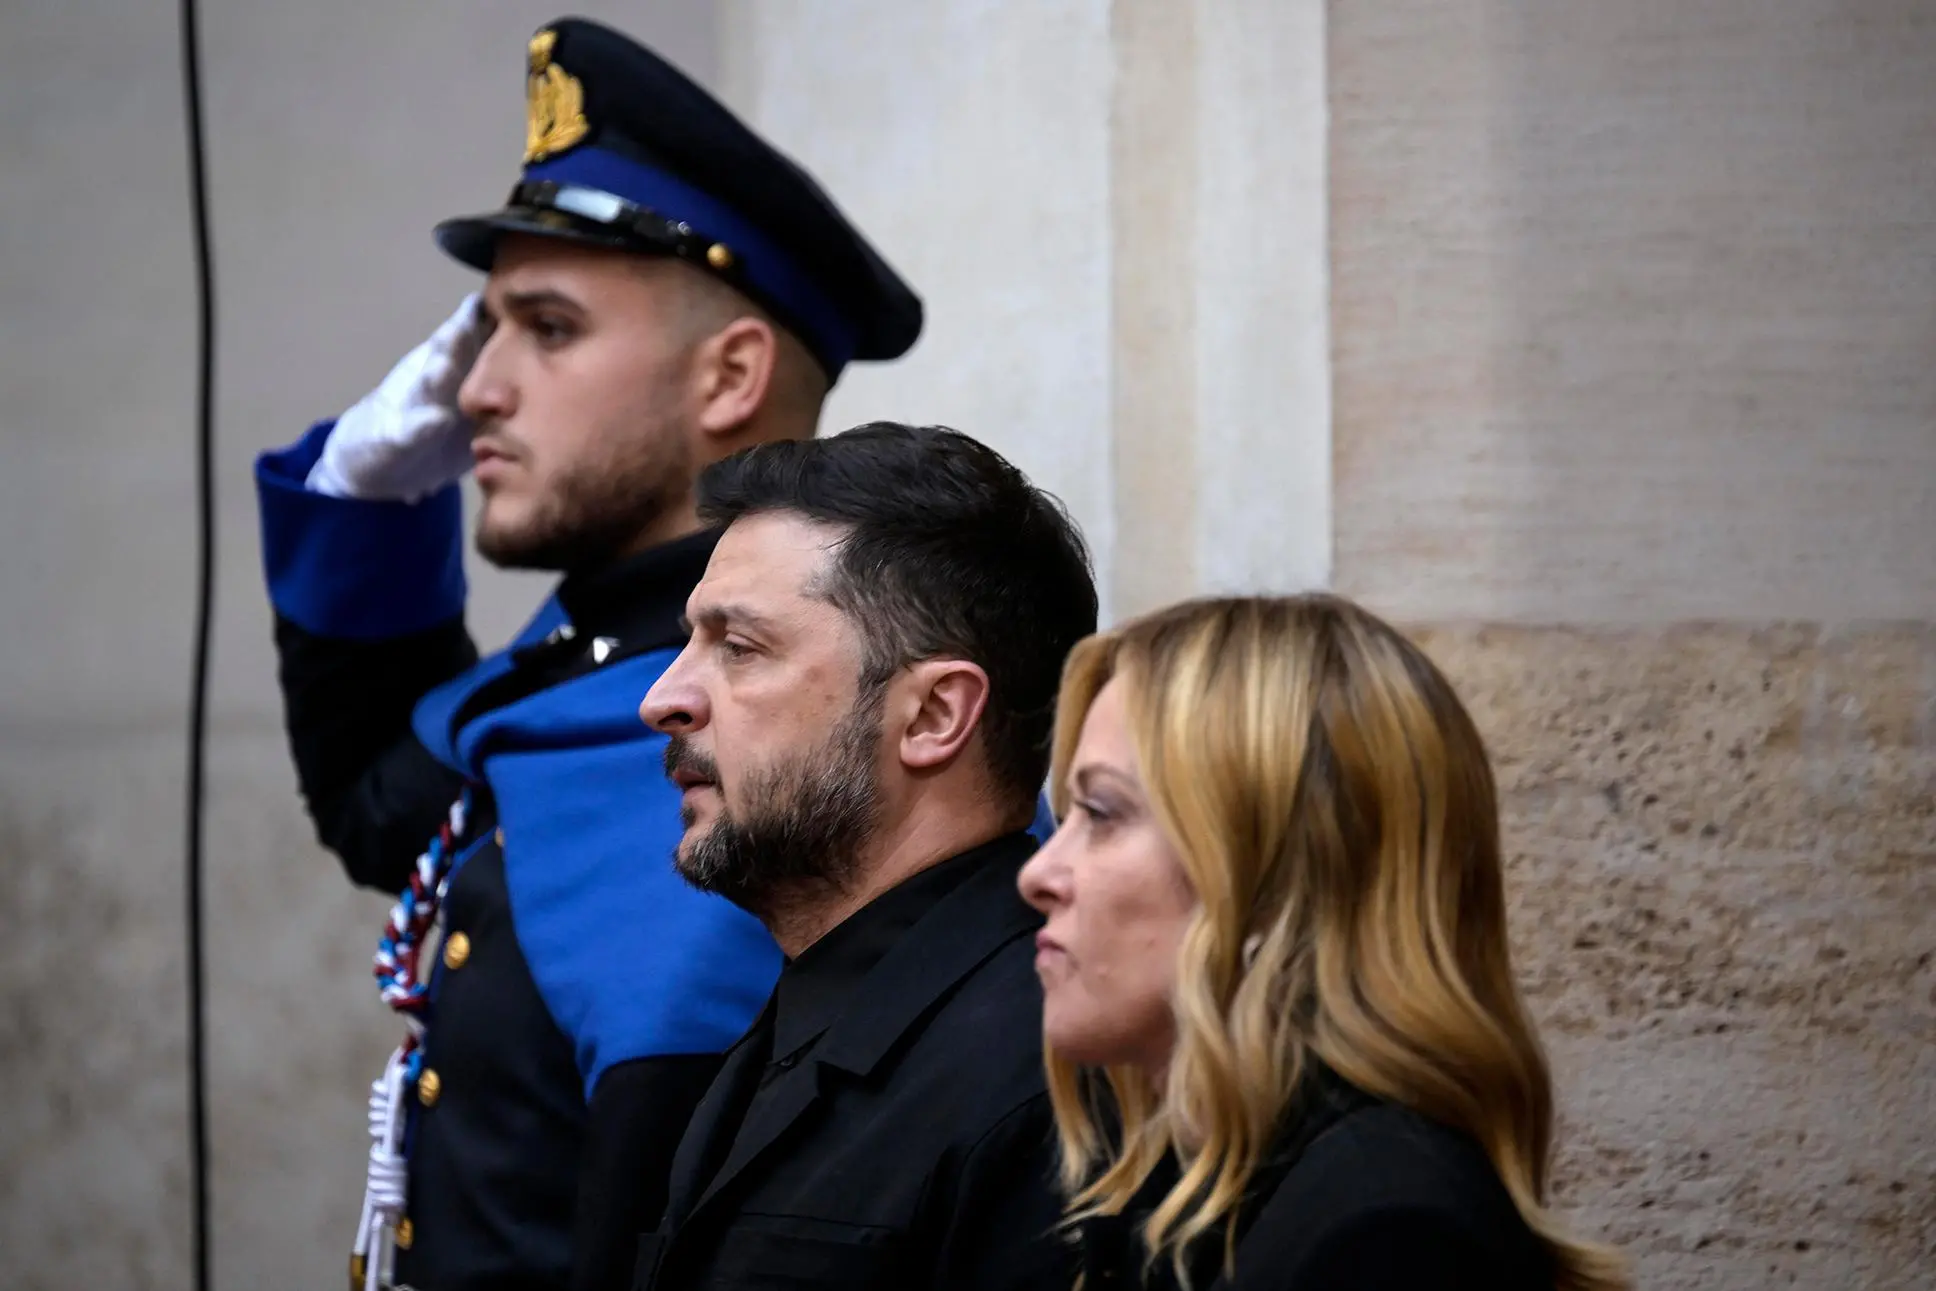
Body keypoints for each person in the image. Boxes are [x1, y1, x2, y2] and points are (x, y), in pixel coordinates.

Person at [252, 18, 925, 1291]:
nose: (474, 392)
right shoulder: (578, 668)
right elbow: (383, 804)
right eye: (483, 331)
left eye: (546, 329)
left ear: (730, 375)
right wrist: (363, 508)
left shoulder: (773, 732)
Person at [1017, 594, 1632, 1291]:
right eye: (1065, 816)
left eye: (1101, 812)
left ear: (1275, 874)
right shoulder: (1194, 1188)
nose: (1039, 873)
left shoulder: (1384, 1235)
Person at [631, 423, 1099, 1290]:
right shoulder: (802, 1014)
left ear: (931, 716)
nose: (663, 699)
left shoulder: (1043, 1072)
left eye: (740, 648)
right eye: (690, 642)